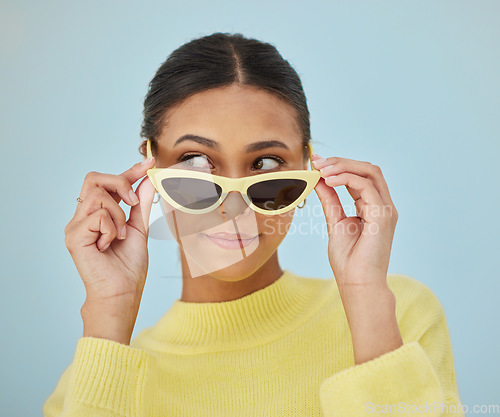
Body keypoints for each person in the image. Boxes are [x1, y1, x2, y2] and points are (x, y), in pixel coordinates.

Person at [43, 32, 464, 416]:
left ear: (309, 167)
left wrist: (367, 304)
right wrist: (109, 313)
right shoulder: (94, 378)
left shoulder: (402, 321)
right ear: (148, 167)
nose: (233, 205)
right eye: (195, 163)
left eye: (265, 165)